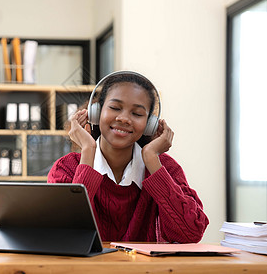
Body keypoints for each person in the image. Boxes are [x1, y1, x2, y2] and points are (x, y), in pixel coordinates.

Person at [47, 71, 209, 243]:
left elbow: (191, 233)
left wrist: (152, 159)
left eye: (137, 114)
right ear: (96, 112)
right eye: (115, 108)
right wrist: (88, 150)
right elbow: (64, 234)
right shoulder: (67, 167)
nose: (124, 118)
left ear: (149, 125)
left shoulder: (165, 168)